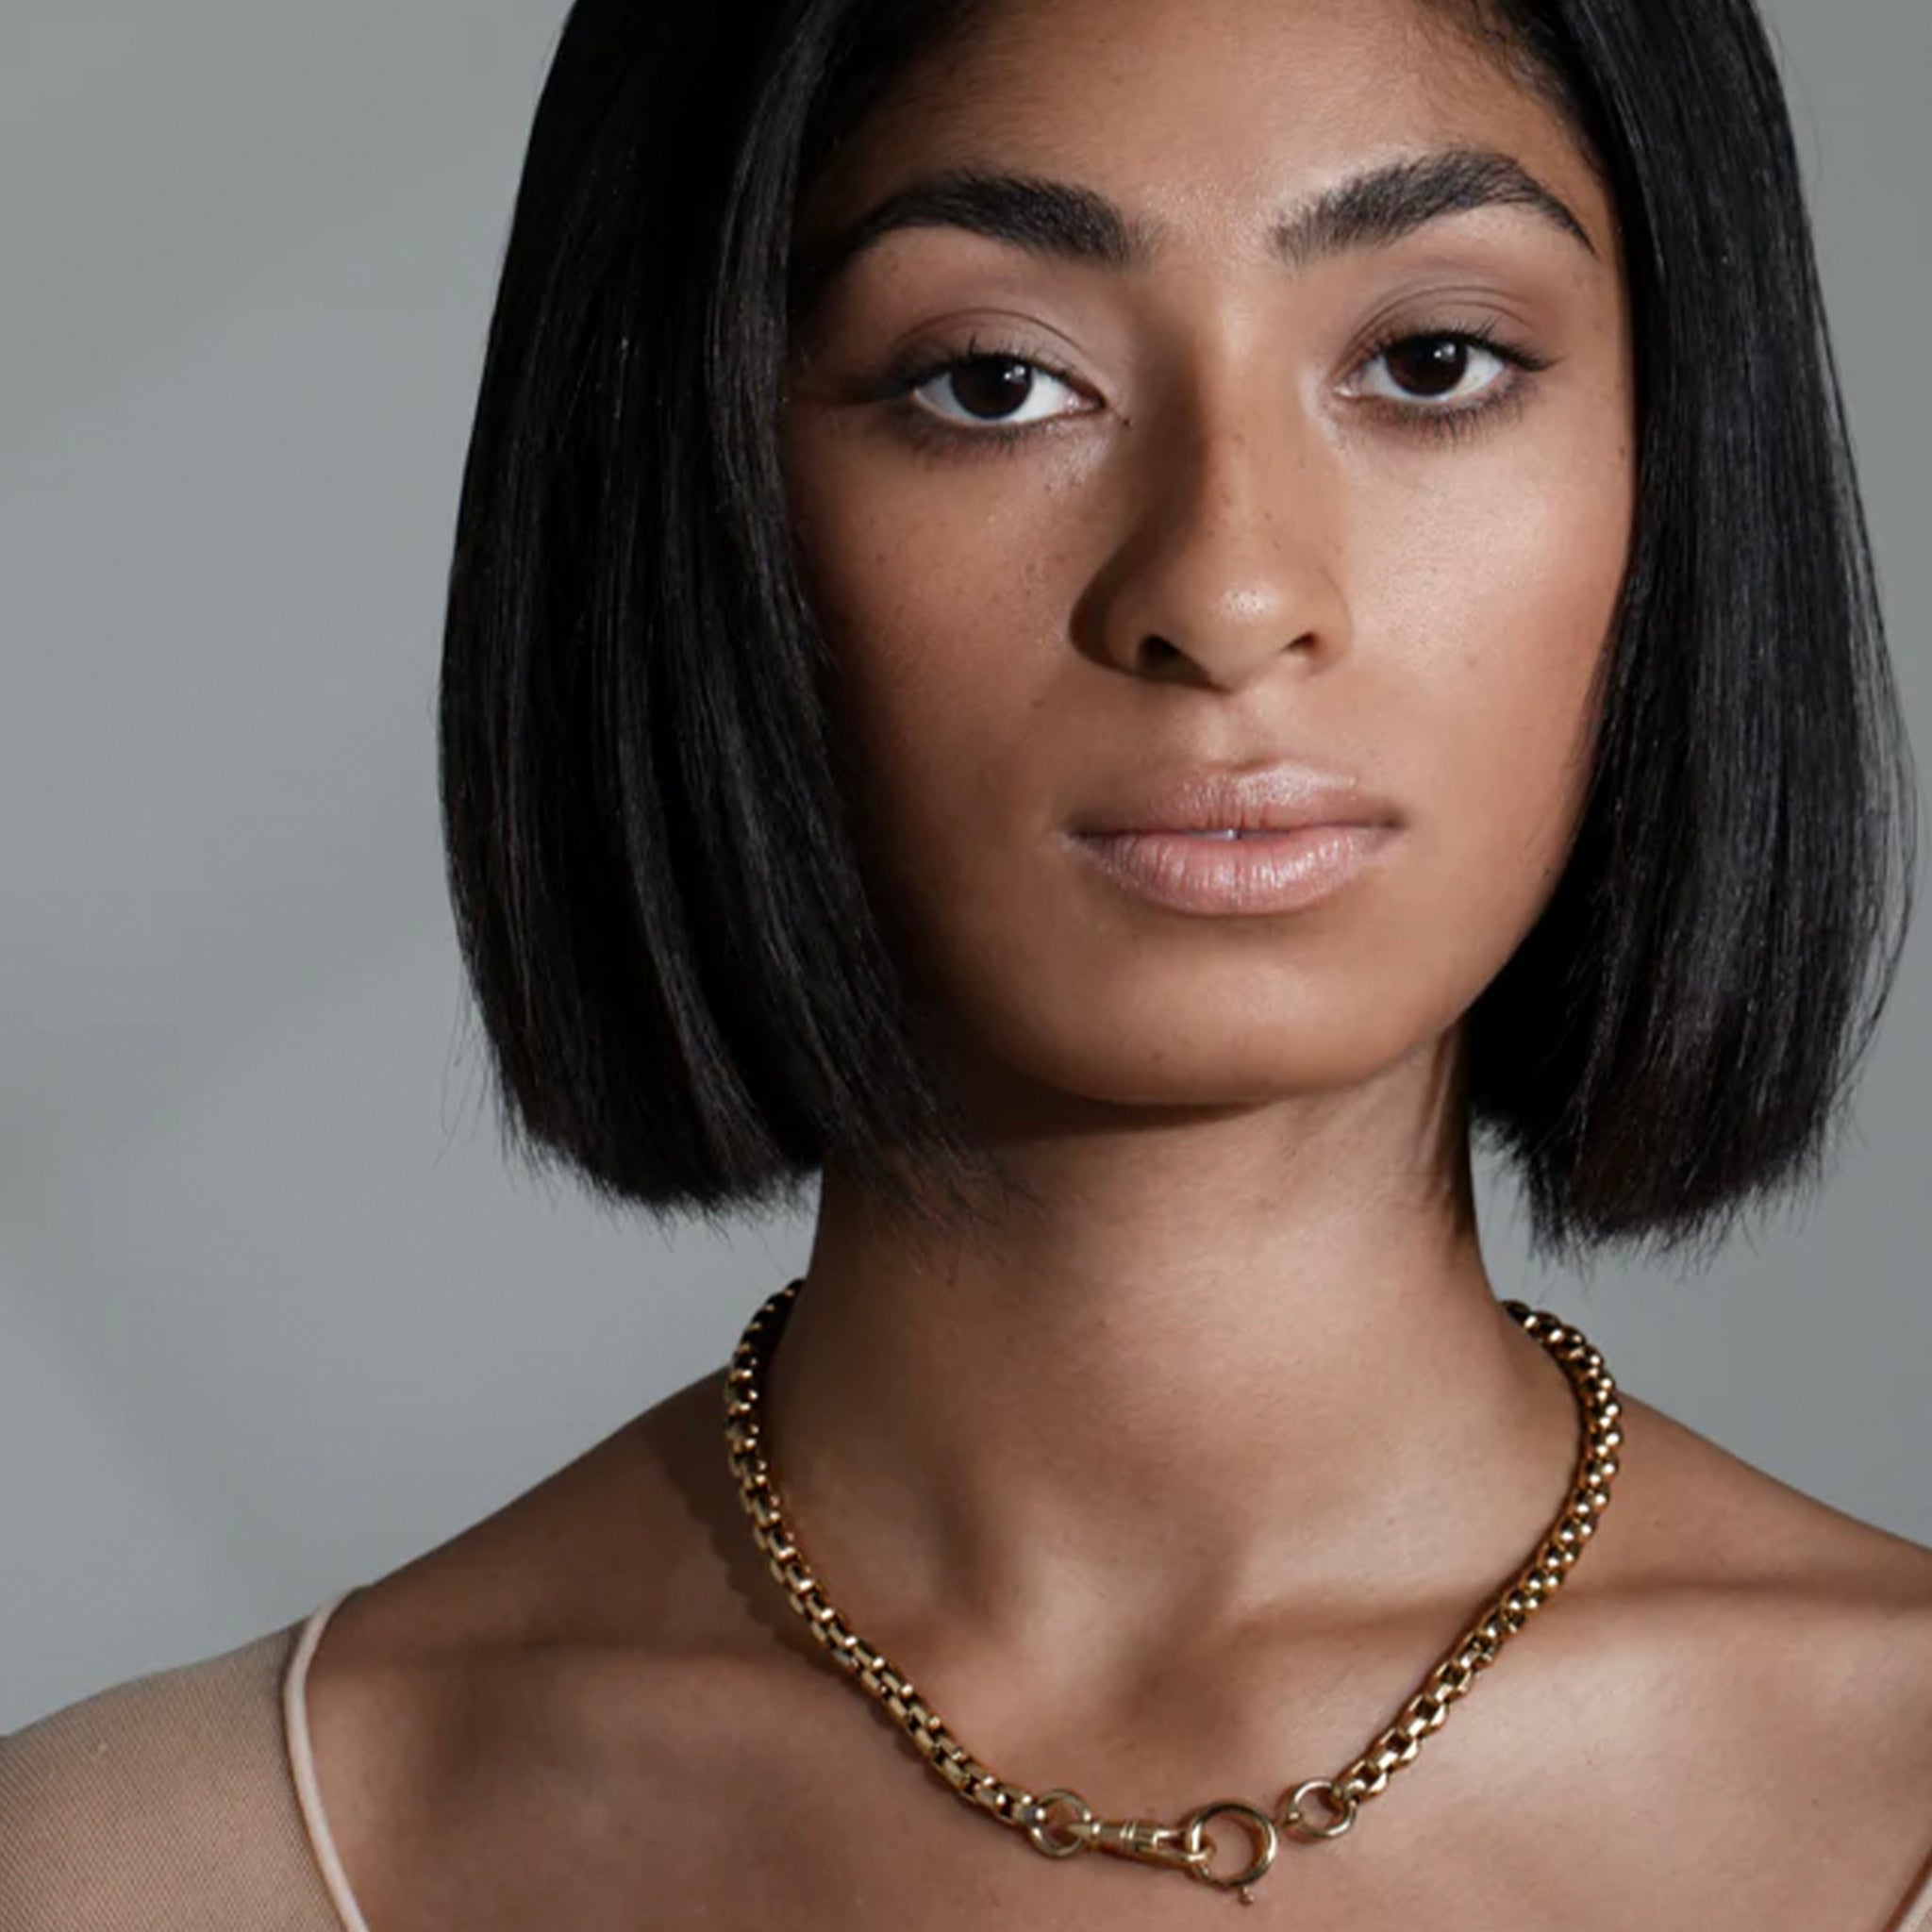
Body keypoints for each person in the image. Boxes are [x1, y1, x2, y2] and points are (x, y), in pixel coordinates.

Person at [5, 0, 1930, 1925]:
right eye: (994, 383)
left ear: (1671, 462)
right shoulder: (143, 1869)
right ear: (702, 498)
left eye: (1432, 363)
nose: (1226, 587)